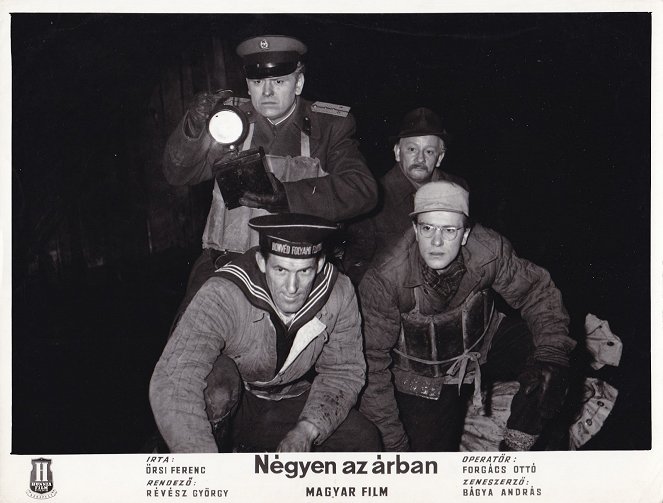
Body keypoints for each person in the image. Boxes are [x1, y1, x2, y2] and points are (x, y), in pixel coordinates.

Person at [163, 35, 377, 318]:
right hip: (226, 266)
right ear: (248, 84)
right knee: (185, 348)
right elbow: (178, 174)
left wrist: (288, 197)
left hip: (295, 275)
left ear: (298, 83)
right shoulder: (230, 123)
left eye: (279, 82)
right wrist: (192, 128)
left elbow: (363, 189)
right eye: (258, 82)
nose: (266, 93)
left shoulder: (328, 126)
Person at [358, 180, 576, 451]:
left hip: (483, 345)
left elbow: (537, 291)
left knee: (552, 366)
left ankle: (516, 454)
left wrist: (552, 355)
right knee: (426, 464)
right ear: (414, 229)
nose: (437, 242)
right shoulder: (385, 278)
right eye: (427, 228)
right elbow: (371, 363)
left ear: (464, 234)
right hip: (425, 377)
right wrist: (393, 443)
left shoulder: (487, 249)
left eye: (449, 230)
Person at [149, 213, 380, 452]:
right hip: (231, 404)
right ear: (261, 262)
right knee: (216, 389)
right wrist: (205, 468)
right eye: (280, 270)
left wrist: (306, 430)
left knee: (363, 440)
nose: (292, 288)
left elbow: (343, 371)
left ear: (320, 264)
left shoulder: (337, 292)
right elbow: (176, 378)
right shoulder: (223, 293)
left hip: (287, 400)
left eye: (304, 272)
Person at [343, 107, 465, 284]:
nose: (420, 159)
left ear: (440, 157)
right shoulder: (372, 198)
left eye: (429, 151)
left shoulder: (458, 189)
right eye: (412, 150)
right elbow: (357, 268)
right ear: (397, 152)